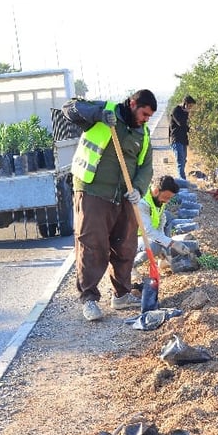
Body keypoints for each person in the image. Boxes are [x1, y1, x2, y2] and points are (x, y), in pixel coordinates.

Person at [61, 89, 157, 322]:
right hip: (93, 190)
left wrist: (138, 189)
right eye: (144, 113)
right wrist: (98, 114)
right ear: (133, 103)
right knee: (92, 245)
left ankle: (122, 294)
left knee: (125, 246)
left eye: (149, 117)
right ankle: (90, 299)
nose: (146, 119)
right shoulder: (106, 111)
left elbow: (146, 166)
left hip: (124, 196)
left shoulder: (142, 133)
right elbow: (69, 109)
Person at [135, 174, 196, 269]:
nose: (167, 201)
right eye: (166, 197)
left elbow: (162, 219)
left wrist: (164, 245)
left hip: (145, 235)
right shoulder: (142, 203)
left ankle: (163, 259)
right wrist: (172, 243)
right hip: (129, 239)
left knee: (167, 224)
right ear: (156, 191)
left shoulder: (158, 200)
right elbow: (148, 231)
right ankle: (129, 266)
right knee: (155, 245)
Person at [169, 95, 196, 180]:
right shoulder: (176, 111)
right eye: (190, 106)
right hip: (176, 139)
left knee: (184, 161)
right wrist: (186, 112)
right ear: (185, 104)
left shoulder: (185, 112)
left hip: (183, 140)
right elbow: (181, 123)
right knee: (180, 161)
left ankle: (181, 180)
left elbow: (187, 127)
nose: (190, 108)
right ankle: (183, 181)